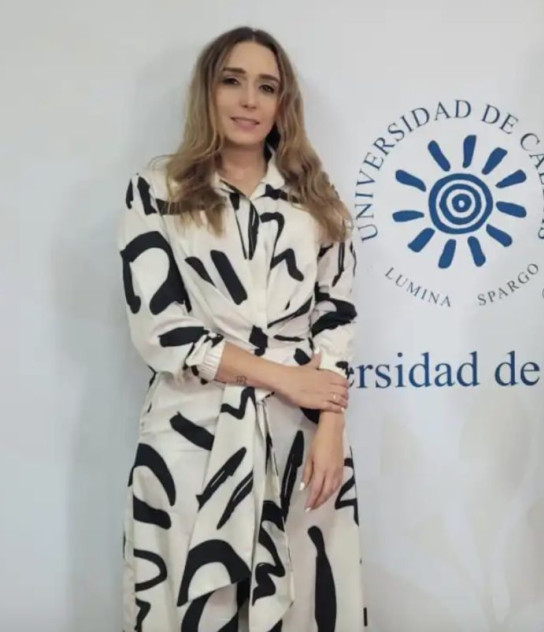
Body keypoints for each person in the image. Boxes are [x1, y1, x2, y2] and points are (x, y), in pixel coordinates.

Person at [119, 27, 365, 631]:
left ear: (284, 104)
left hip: (300, 441)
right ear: (208, 91)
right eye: (232, 81)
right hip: (191, 438)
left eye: (266, 87)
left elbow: (337, 316)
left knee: (308, 603)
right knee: (191, 607)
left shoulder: (317, 199)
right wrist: (284, 377)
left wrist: (331, 425)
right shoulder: (158, 191)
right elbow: (162, 329)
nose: (249, 100)